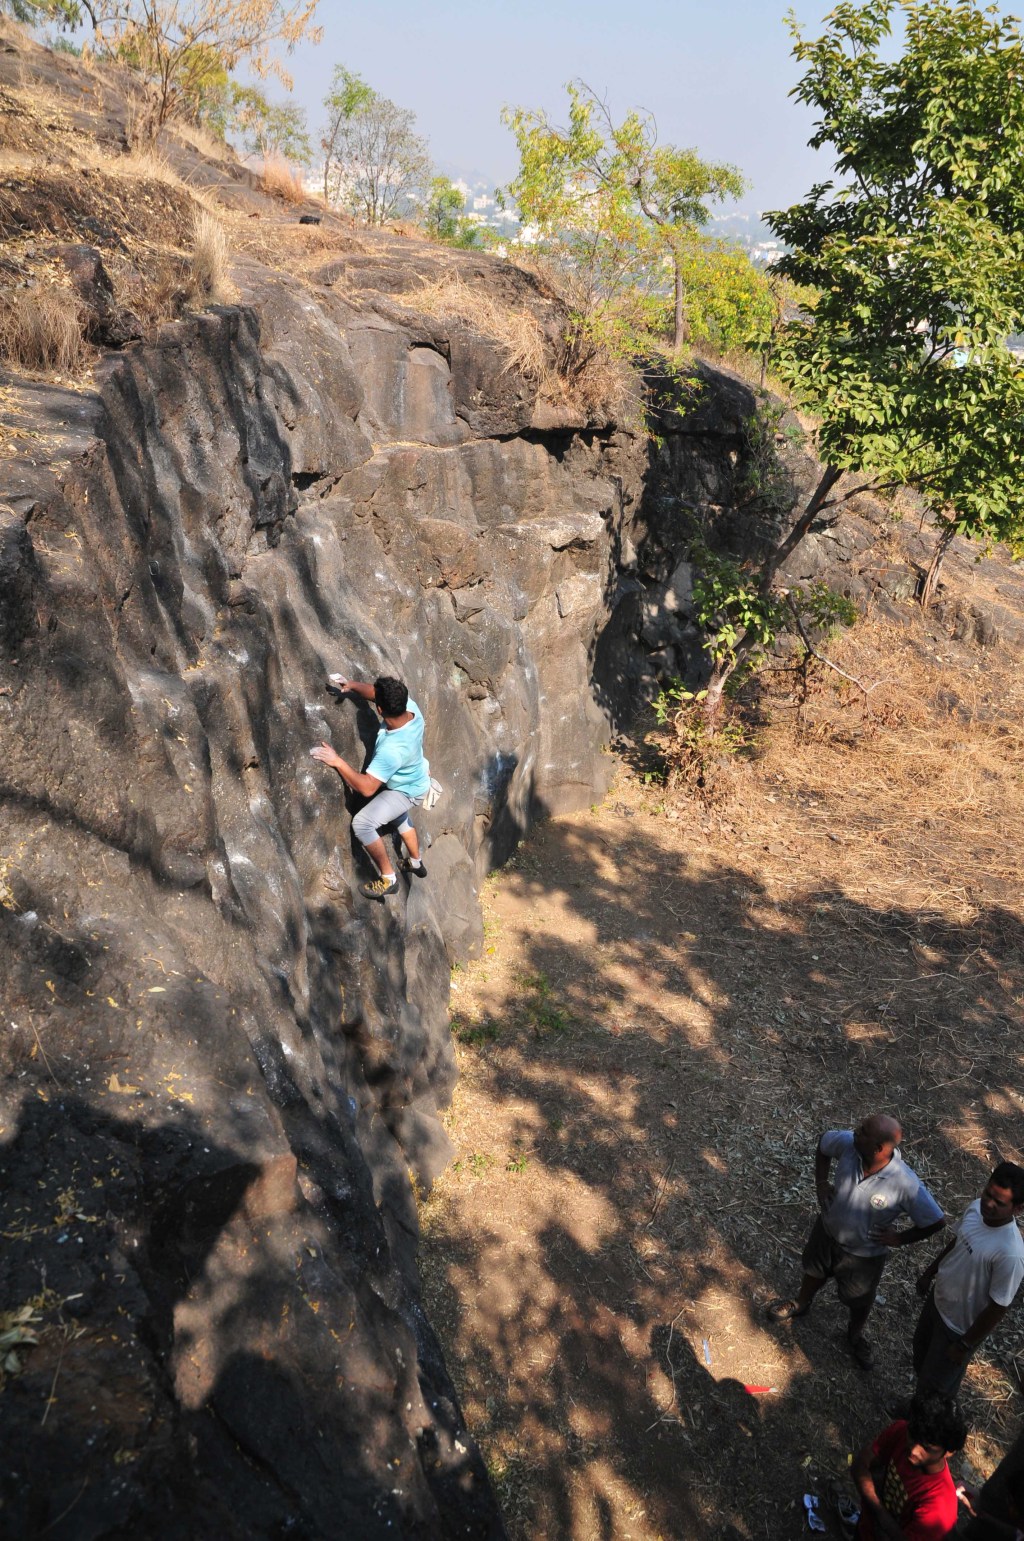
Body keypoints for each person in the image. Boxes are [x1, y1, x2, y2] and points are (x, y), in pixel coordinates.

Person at [767, 1115, 945, 1370]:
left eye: (862, 1131)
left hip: (863, 1256)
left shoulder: (905, 1184)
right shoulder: (849, 1145)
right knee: (814, 1270)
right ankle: (801, 1303)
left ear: (878, 1148)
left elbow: (936, 1221)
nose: (855, 1131)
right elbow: (823, 1144)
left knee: (859, 1299)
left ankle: (855, 1334)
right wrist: (821, 1183)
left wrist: (899, 1238)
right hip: (826, 1231)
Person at [311, 674, 429, 901]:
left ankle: (388, 879)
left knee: (363, 823)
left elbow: (366, 788)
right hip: (417, 779)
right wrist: (352, 686)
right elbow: (377, 695)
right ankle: (415, 862)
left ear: (380, 709)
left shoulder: (392, 750)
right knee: (398, 816)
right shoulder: (410, 708)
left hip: (405, 791)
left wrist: (337, 761)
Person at [912, 1162, 1024, 1399]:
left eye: (999, 1203)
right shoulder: (975, 1209)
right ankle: (915, 1409)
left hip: (957, 1328)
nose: (988, 1204)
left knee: (936, 1389)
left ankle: (923, 1418)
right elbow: (958, 1242)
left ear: (1018, 1209)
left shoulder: (1010, 1253)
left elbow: (998, 1308)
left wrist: (965, 1344)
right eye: (988, 1194)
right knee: (921, 1358)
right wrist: (930, 1272)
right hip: (937, 1302)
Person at [852, 1393, 966, 1539]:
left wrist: (877, 1511)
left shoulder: (939, 1506)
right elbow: (860, 1466)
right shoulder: (901, 1430)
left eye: (926, 1448)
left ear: (949, 1452)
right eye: (912, 1437)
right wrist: (880, 1514)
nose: (914, 1451)